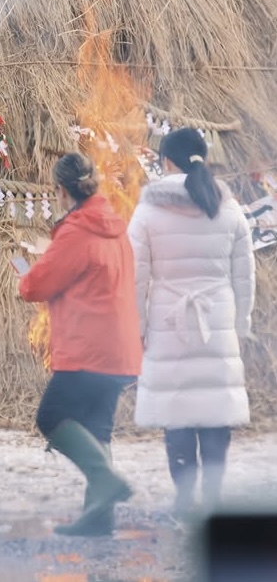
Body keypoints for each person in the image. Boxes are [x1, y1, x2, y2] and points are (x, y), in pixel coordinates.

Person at [128, 128, 255, 516]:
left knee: (177, 412)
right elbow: (244, 275)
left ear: (166, 161)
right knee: (216, 412)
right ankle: (214, 500)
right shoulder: (228, 207)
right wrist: (241, 324)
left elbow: (135, 276)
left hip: (170, 322)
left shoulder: (148, 210)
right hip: (217, 320)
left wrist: (141, 326)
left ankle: (185, 501)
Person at [18, 152, 143, 536]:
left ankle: (105, 480)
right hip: (119, 348)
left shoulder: (76, 231)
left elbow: (36, 285)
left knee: (51, 417)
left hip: (88, 349)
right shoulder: (114, 226)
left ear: (61, 191)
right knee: (97, 428)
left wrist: (24, 274)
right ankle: (98, 519)